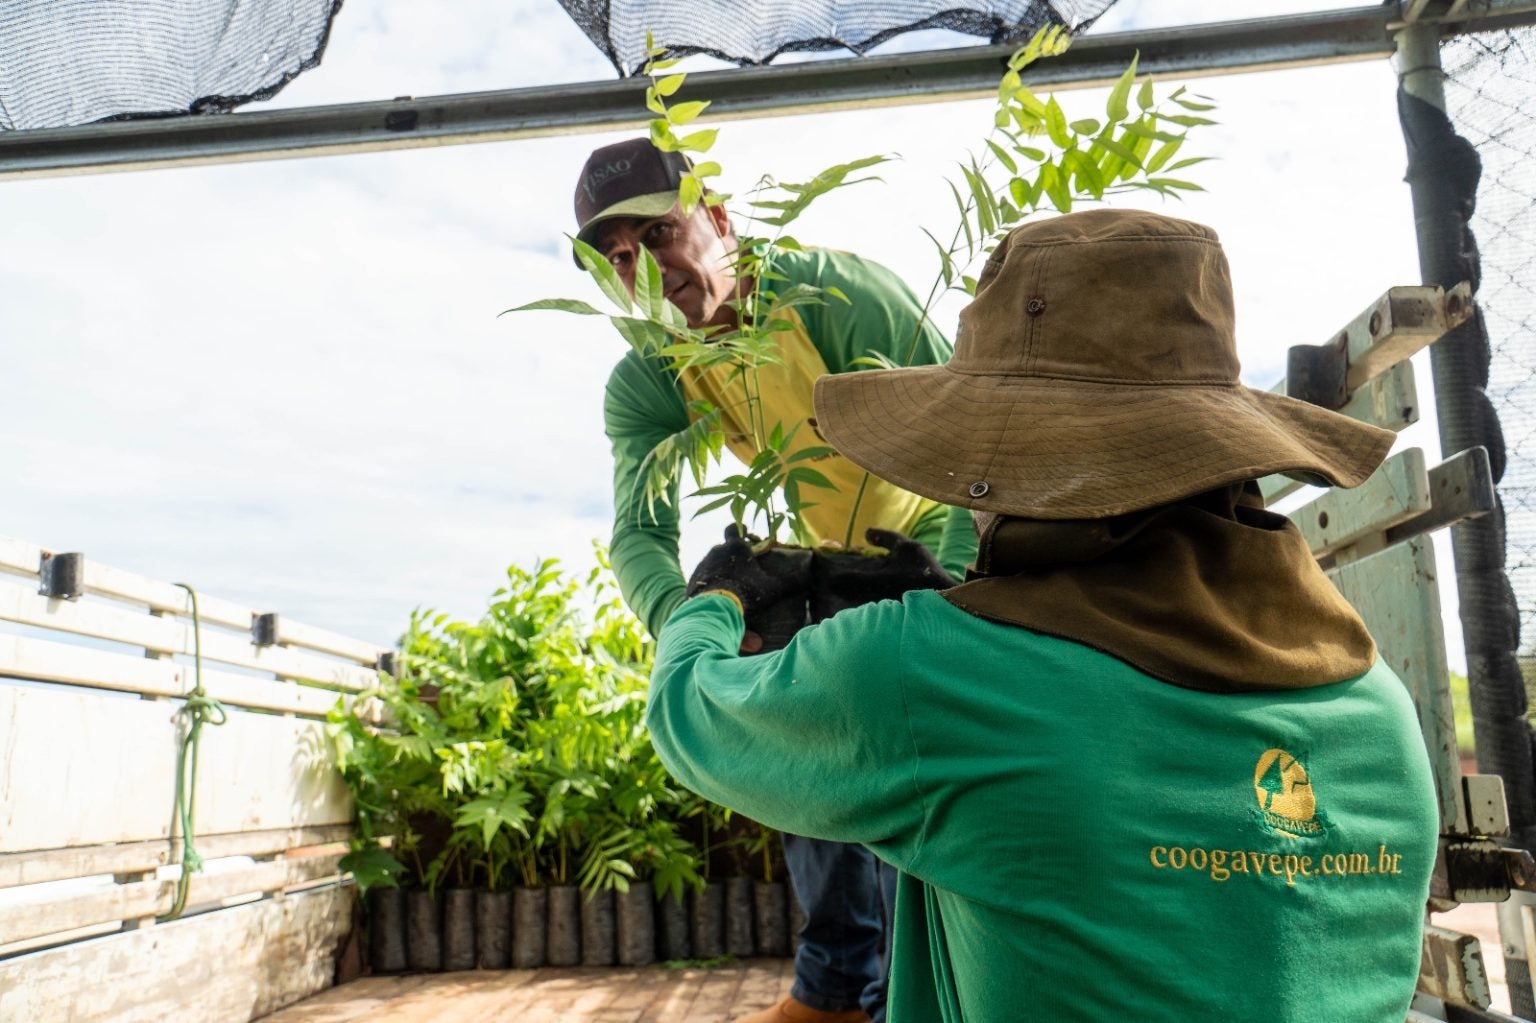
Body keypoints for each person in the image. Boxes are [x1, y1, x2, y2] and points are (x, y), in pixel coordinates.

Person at [646, 208, 1439, 1022]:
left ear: (1015, 466)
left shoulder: (934, 670)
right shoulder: (1382, 712)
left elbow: (687, 712)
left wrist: (717, 596)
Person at [574, 137, 977, 1023]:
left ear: (719, 223)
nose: (646, 271)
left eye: (661, 234)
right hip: (818, 562)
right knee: (792, 706)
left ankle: (949, 980)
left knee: (942, 761)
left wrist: (956, 599)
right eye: (619, 259)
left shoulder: (840, 300)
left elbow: (972, 453)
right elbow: (640, 531)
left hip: (934, 534)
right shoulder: (651, 378)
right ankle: (839, 986)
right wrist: (697, 621)